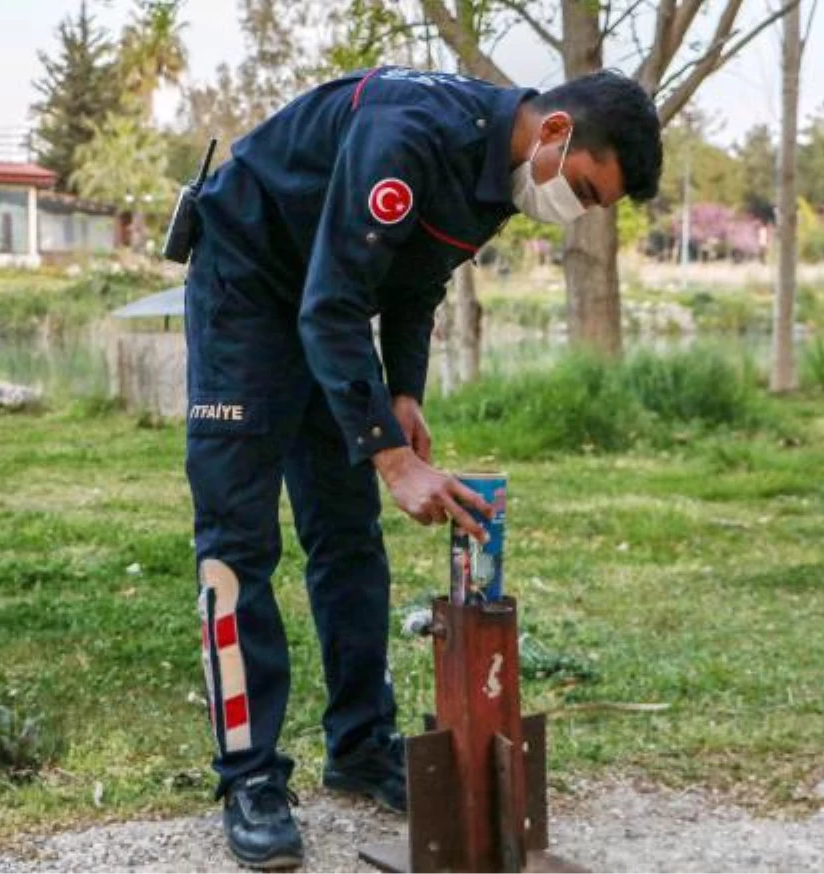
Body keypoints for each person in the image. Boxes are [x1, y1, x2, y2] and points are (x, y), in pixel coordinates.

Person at [182, 65, 663, 870]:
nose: (572, 210)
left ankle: (362, 745)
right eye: (583, 187)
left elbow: (416, 279)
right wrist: (394, 460)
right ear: (554, 133)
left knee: (346, 533)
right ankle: (250, 778)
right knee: (238, 542)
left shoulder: (499, 177)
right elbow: (333, 304)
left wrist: (402, 393)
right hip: (248, 286)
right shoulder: (407, 133)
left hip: (321, 301)